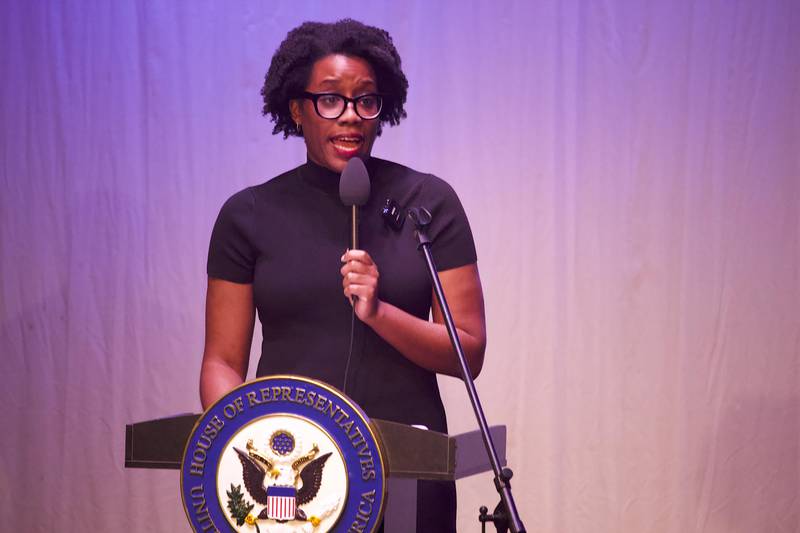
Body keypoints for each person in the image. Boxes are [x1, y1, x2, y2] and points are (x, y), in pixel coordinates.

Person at [200, 19, 486, 532]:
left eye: (365, 100)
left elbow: (468, 350)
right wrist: (244, 446)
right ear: (297, 109)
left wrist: (379, 313)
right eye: (330, 100)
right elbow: (222, 361)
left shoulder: (427, 203)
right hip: (289, 476)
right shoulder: (249, 215)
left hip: (409, 470)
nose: (351, 116)